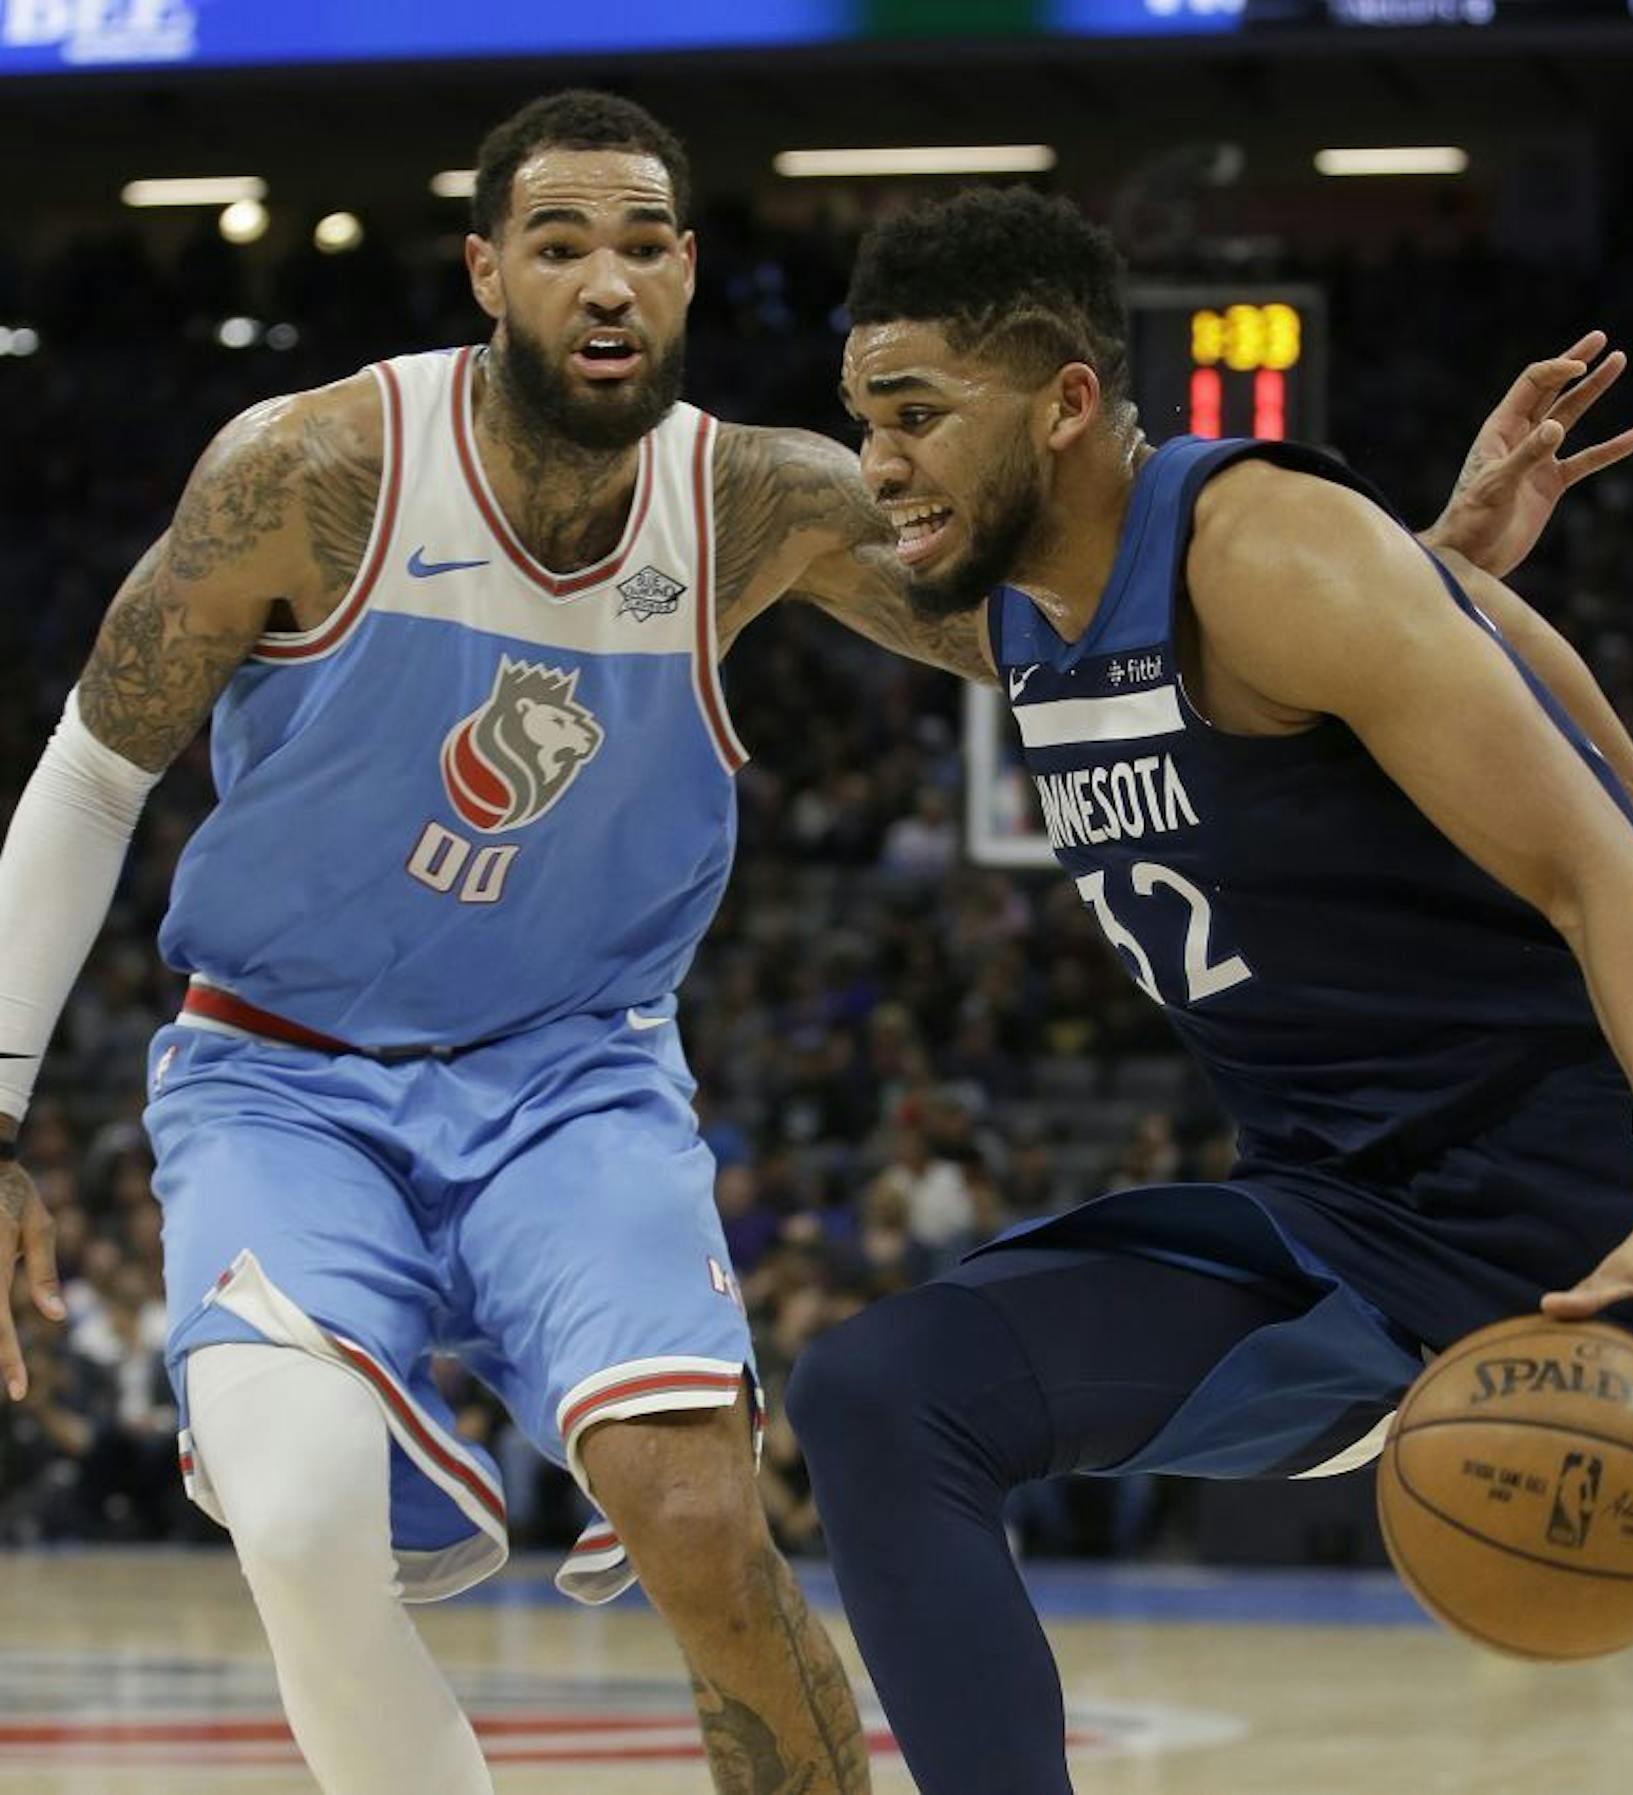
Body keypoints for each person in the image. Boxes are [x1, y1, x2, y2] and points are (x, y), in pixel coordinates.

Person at [788, 188, 1633, 1794]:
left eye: (915, 417)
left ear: (1067, 402)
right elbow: (1454, 610)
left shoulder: (1262, 548)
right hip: (1344, 1225)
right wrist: (1555, 699)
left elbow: (1609, 896)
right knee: (883, 1392)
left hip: (1611, 1210)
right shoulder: (1027, 598)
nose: (882, 464)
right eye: (863, 421)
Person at [0, 90, 1012, 1795]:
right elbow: (94, 776)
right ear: (485, 271)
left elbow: (1054, 643)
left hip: (574, 1076)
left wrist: (1383, 586)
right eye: (559, 246)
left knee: (703, 1520)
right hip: (281, 1077)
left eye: (640, 245)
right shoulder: (310, 472)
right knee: (300, 1509)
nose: (604, 283)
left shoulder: (759, 502)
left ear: (689, 272)